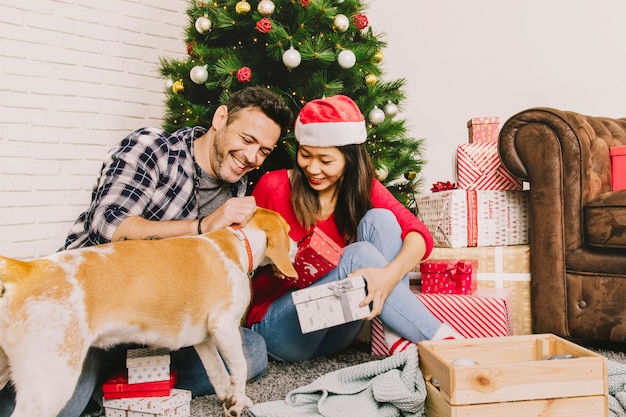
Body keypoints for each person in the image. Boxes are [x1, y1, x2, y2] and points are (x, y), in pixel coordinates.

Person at [0, 86, 293, 417]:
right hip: (94, 304)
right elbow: (109, 227)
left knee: (251, 351)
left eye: (264, 151)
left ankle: (121, 386)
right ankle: (98, 379)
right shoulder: (153, 147)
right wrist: (203, 225)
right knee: (51, 403)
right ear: (221, 117)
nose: (252, 157)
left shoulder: (237, 186)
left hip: (161, 323)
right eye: (247, 139)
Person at [246, 94, 460, 363]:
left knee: (380, 219)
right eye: (305, 155)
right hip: (282, 329)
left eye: (326, 161)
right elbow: (241, 255)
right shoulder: (273, 186)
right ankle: (448, 345)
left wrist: (389, 276)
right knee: (358, 257)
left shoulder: (363, 188)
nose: (312, 168)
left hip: (335, 332)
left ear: (350, 160)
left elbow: (418, 235)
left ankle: (395, 336)